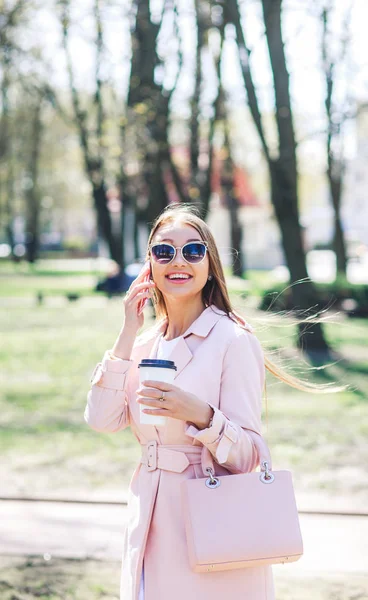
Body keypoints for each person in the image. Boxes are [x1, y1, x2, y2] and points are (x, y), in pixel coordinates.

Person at [84, 203, 323, 600]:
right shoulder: (143, 345)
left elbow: (250, 458)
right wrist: (127, 331)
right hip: (148, 522)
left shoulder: (233, 340)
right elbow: (101, 419)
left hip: (211, 525)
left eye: (193, 251)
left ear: (210, 264)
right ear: (149, 265)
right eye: (164, 251)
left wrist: (201, 415)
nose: (178, 261)